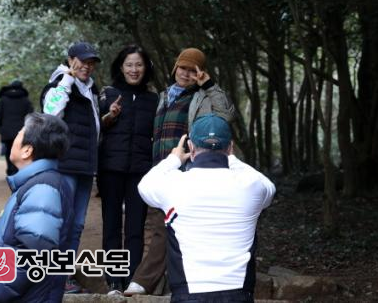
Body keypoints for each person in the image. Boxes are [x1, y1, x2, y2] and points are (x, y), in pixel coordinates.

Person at [125, 47, 235, 297]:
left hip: (186, 170)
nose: (186, 74)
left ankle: (142, 282)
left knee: (165, 224)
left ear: (200, 73)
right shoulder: (163, 96)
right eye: (183, 68)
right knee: (167, 224)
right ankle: (169, 283)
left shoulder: (203, 97)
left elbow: (227, 115)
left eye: (192, 70)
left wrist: (210, 86)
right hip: (161, 168)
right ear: (175, 68)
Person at [138, 115, 276, 302]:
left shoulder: (173, 184)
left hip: (188, 293)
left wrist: (173, 159)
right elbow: (269, 187)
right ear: (230, 147)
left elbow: (144, 185)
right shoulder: (252, 185)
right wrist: (233, 159)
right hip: (238, 294)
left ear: (191, 147)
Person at [0, 113, 74, 302]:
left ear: (27, 150)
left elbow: (34, 249)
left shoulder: (43, 187)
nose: (14, 138)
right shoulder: (39, 183)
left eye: (19, 133)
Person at [98, 45, 159, 296]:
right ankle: (114, 280)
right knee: (112, 225)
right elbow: (97, 127)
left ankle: (132, 278)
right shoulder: (108, 94)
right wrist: (110, 116)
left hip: (140, 171)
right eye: (129, 65)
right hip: (110, 168)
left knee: (135, 227)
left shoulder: (154, 99)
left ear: (146, 68)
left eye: (139, 65)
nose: (134, 70)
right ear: (121, 68)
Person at [41, 41, 100, 293]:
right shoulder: (58, 84)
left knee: (76, 224)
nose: (86, 66)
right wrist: (66, 79)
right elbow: (50, 115)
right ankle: (51, 275)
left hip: (85, 166)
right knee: (61, 222)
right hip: (64, 165)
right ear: (70, 60)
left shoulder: (90, 88)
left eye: (91, 62)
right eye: (82, 61)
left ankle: (63, 275)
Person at [0, 79, 34, 176]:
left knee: (9, 150)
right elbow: (30, 115)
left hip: (7, 130)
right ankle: (17, 171)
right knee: (20, 150)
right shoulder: (26, 100)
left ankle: (10, 170)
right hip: (21, 131)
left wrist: (1, 127)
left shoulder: (3, 99)